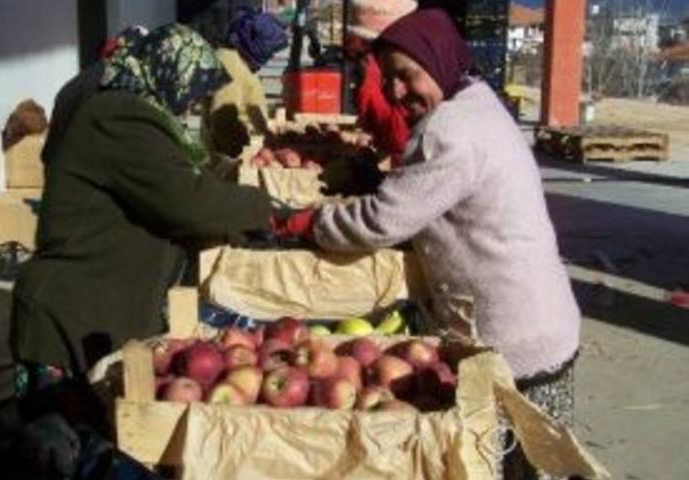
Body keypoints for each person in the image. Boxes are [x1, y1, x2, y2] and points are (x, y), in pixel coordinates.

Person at [277, 10, 581, 479]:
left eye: (406, 76)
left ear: (435, 60)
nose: (396, 92)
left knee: (508, 465)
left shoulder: (450, 131)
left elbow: (383, 220)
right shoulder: (476, 101)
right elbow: (433, 196)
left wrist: (312, 223)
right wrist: (379, 180)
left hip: (516, 342)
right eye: (390, 78)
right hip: (541, 323)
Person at [10, 24, 274, 423]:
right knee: (59, 453)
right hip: (69, 323)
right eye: (190, 91)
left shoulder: (134, 113)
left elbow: (177, 184)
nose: (188, 106)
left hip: (95, 315)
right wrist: (264, 208)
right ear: (170, 72)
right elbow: (185, 202)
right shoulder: (119, 116)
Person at [201, 7, 288, 158]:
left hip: (238, 148)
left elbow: (252, 104)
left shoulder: (243, 63)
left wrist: (267, 133)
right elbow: (223, 119)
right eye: (269, 49)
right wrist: (237, 152)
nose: (270, 55)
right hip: (225, 157)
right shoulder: (230, 62)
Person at [344, 0, 417, 162]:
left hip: (401, 145)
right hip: (398, 144)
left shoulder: (381, 65)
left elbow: (396, 133)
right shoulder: (376, 64)